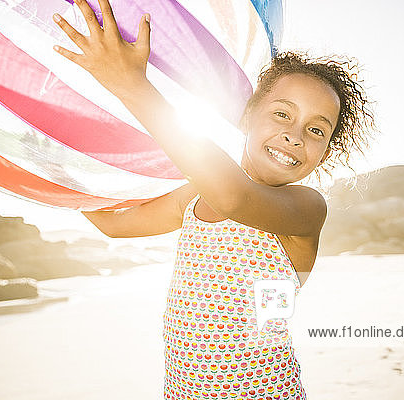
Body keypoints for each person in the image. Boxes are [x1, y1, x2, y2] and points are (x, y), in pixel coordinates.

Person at [52, 1, 375, 398]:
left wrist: (131, 84)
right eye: (282, 114)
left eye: (316, 130)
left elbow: (233, 197)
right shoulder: (195, 196)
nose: (295, 136)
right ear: (246, 116)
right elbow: (115, 224)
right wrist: (53, 164)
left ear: (325, 152)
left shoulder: (305, 209)